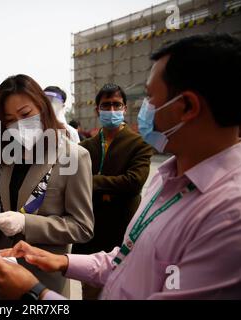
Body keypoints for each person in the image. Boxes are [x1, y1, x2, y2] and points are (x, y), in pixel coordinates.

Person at [0, 33, 241, 300]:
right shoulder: (168, 178)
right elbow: (127, 258)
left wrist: (36, 293)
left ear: (187, 107)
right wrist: (64, 262)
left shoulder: (234, 215)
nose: (143, 109)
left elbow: (83, 223)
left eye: (149, 97)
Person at [0, 74, 94, 298]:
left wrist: (25, 223)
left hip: (43, 283)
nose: (19, 125)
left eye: (26, 114)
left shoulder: (73, 156)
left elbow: (82, 227)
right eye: (9, 119)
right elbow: (7, 204)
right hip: (2, 277)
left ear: (43, 107)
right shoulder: (6, 157)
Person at [72, 83, 153, 299]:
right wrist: (110, 187)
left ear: (125, 109)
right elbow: (75, 184)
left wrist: (93, 182)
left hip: (121, 229)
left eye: (117, 105)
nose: (112, 110)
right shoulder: (86, 146)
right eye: (106, 105)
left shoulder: (139, 144)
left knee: (120, 289)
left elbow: (133, 182)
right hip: (90, 230)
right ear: (97, 110)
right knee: (90, 291)